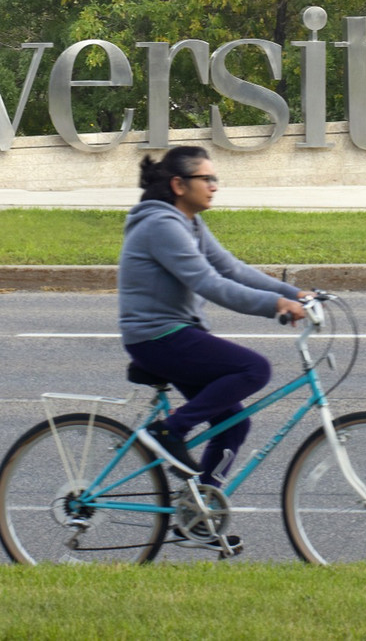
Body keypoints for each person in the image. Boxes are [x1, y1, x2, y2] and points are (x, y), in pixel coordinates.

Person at [119, 146, 310, 507]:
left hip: (175, 334)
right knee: (254, 368)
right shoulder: (162, 226)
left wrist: (293, 292)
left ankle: (200, 509)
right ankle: (167, 431)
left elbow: (232, 269)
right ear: (179, 184)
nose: (214, 186)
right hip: (157, 337)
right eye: (206, 178)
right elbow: (211, 284)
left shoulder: (189, 222)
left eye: (214, 178)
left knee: (234, 423)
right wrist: (276, 306)